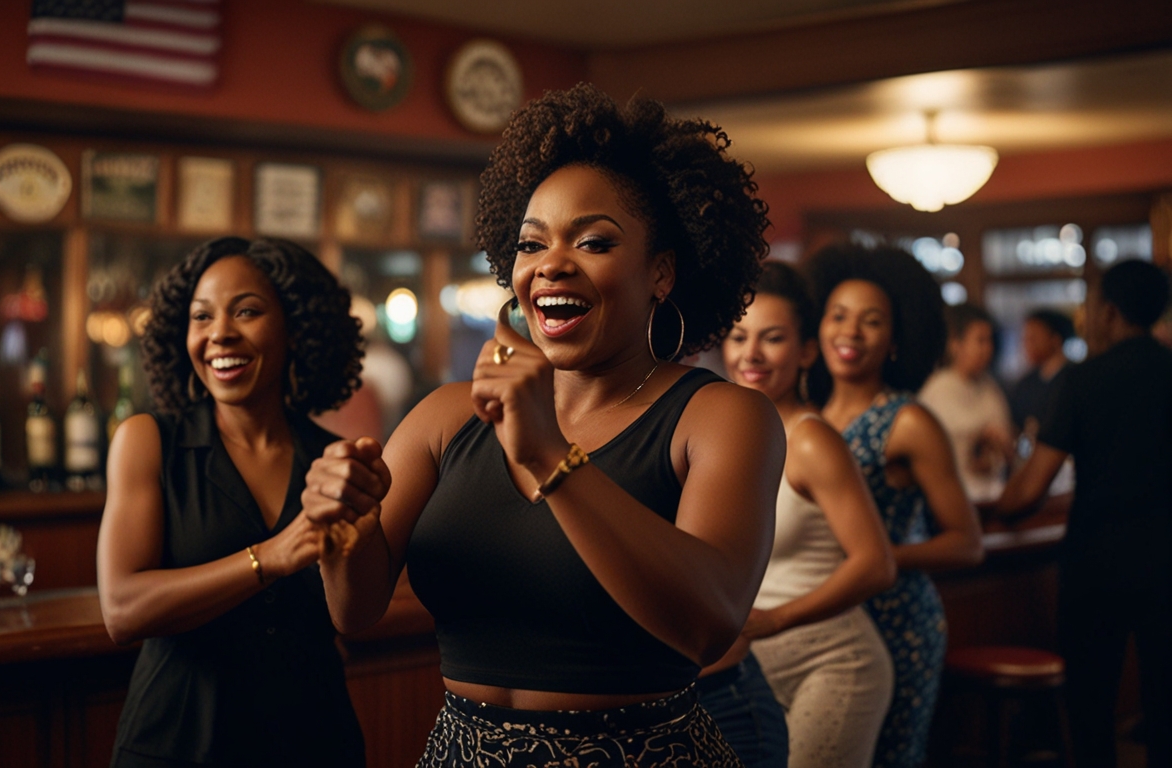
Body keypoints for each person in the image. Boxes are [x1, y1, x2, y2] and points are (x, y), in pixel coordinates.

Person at [304, 83, 785, 767]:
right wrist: (343, 525)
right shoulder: (447, 415)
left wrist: (547, 456)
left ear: (661, 272)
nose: (551, 263)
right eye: (532, 244)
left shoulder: (721, 417)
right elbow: (354, 612)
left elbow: (708, 626)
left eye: (592, 241)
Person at [97, 236, 367, 767]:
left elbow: (352, 617)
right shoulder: (149, 441)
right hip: (180, 743)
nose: (220, 333)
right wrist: (268, 558)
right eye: (201, 317)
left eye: (246, 311)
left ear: (296, 327)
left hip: (313, 742)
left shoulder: (330, 458)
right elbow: (122, 609)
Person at [805, 243, 984, 768]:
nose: (850, 332)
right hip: (822, 622)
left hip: (895, 620)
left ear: (896, 339)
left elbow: (967, 542)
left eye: (871, 321)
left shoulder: (908, 421)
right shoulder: (807, 419)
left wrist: (872, 560)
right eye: (838, 316)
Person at [991, 259, 1171, 768]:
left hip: (1099, 561)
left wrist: (991, 514)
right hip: (1168, 562)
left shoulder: (1082, 380)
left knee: (1091, 709)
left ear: (1108, 312)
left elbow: (1029, 490)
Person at [717, 261, 897, 768]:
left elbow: (876, 563)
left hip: (834, 663)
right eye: (737, 335)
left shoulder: (812, 439)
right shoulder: (725, 437)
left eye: (771, 338)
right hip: (749, 667)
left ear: (806, 352)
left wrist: (774, 620)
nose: (750, 354)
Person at [918, 304, 1014, 503]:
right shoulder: (938, 389)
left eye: (989, 341)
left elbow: (1005, 437)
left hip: (992, 491)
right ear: (955, 344)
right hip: (954, 497)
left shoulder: (989, 386)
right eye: (980, 341)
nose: (987, 349)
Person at [1006, 308, 1074, 439]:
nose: (1026, 345)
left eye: (1033, 338)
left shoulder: (1075, 379)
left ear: (1055, 339)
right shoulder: (1025, 384)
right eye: (1025, 338)